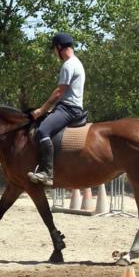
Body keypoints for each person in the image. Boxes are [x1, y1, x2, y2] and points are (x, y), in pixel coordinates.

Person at [27, 32, 86, 186]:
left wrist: (42, 109)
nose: (54, 52)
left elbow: (59, 92)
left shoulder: (68, 65)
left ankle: (47, 172)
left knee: (42, 131)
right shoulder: (77, 62)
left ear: (59, 47)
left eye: (54, 49)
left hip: (68, 109)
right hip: (69, 107)